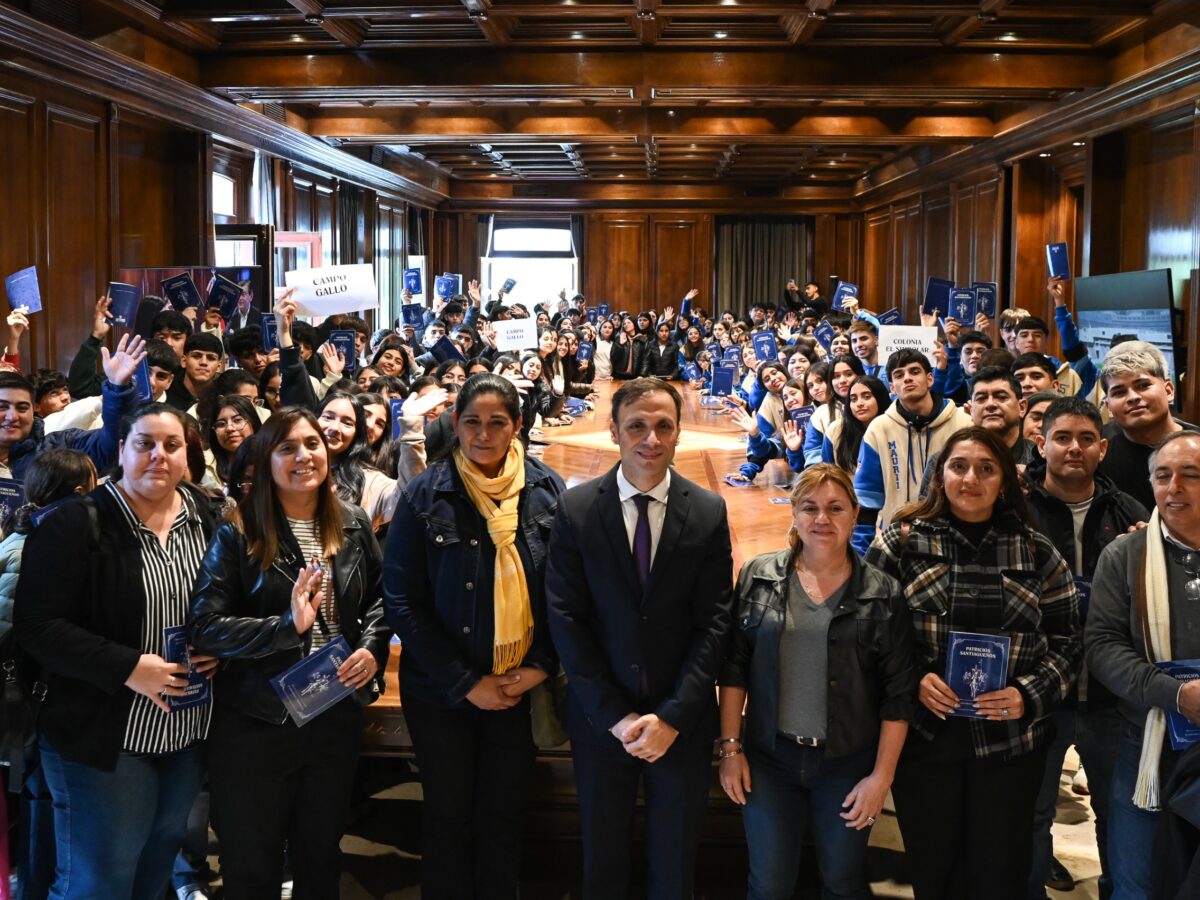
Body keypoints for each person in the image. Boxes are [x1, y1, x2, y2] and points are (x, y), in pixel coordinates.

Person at [864, 426, 1081, 900]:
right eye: (959, 466)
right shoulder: (901, 541)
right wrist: (915, 678)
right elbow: (869, 633)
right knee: (933, 867)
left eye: (987, 469)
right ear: (940, 476)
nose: (971, 479)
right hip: (925, 737)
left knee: (999, 873)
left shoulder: (1036, 549)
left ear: (1004, 480)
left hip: (1010, 744)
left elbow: (1069, 641)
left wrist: (1028, 693)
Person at [14, 403, 222, 899]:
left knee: (154, 870)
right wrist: (128, 666)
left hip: (186, 729)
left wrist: (222, 646)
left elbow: (221, 604)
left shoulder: (206, 517)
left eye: (171, 445)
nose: (159, 456)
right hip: (104, 732)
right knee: (99, 881)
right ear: (121, 451)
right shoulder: (76, 522)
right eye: (144, 444)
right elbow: (37, 625)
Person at [188, 407, 389, 899]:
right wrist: (284, 628)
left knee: (320, 857)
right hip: (257, 719)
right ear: (266, 460)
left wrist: (370, 648)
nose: (304, 456)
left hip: (332, 713)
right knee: (252, 865)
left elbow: (383, 599)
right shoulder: (239, 530)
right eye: (287, 448)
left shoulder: (354, 523)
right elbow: (206, 627)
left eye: (313, 444)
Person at [546, 377, 733, 899]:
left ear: (679, 435)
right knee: (602, 862)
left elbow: (715, 622)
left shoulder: (708, 510)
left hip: (680, 722)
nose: (650, 437)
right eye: (637, 426)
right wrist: (615, 714)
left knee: (676, 867)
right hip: (602, 719)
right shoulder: (577, 508)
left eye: (663, 426)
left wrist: (673, 716)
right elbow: (566, 619)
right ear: (614, 432)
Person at [383, 374, 564, 898]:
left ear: (518, 427)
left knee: (504, 816)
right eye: (471, 422)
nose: (483, 434)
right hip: (442, 693)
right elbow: (402, 601)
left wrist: (539, 666)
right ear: (455, 425)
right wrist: (466, 683)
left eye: (496, 423)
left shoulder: (547, 490)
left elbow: (566, 598)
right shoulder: (423, 494)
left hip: (518, 687)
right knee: (447, 815)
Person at [717, 464, 915, 900]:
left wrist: (881, 778)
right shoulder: (758, 576)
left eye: (834, 508)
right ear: (793, 512)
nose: (822, 519)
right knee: (768, 884)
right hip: (770, 760)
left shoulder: (884, 593)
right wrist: (731, 748)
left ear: (854, 512)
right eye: (809, 507)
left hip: (847, 764)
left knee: (843, 882)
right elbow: (735, 667)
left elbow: (898, 696)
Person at [1023, 396, 1148, 900]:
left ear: (1102, 447)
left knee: (1120, 817)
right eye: (1062, 437)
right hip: (1038, 697)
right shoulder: (1014, 507)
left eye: (1085, 439)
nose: (1074, 448)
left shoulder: (1131, 511)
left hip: (1110, 698)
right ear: (1041, 443)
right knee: (1030, 817)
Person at [1085, 430, 1200, 900]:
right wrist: (1176, 694)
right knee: (1137, 880)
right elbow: (1102, 647)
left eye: (1191, 475)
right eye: (1162, 476)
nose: (1174, 487)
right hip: (1148, 741)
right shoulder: (1125, 554)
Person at [851, 348, 972, 554]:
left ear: (930, 379)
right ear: (892, 387)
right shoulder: (879, 429)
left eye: (914, 372)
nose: (907, 378)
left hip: (954, 540)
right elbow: (867, 498)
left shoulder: (964, 424)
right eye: (899, 375)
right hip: (897, 540)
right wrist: (860, 555)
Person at [0, 336, 143, 485]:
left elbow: (110, 445)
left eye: (22, 408)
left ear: (33, 410)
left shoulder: (59, 446)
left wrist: (118, 388)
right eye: (2, 406)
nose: (12, 416)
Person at [1095, 340, 1199, 514]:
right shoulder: (1097, 450)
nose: (1133, 397)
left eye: (1143, 386)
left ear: (1169, 390)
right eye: (1119, 392)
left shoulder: (1197, 443)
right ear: (1109, 408)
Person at [820, 375, 890, 474]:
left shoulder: (894, 429)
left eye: (866, 397)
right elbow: (826, 472)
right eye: (853, 399)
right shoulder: (835, 430)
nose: (859, 403)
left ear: (880, 398)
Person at [202, 394, 262, 492]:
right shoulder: (204, 465)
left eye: (237, 420)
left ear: (253, 422)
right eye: (221, 424)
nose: (229, 428)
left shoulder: (271, 459)